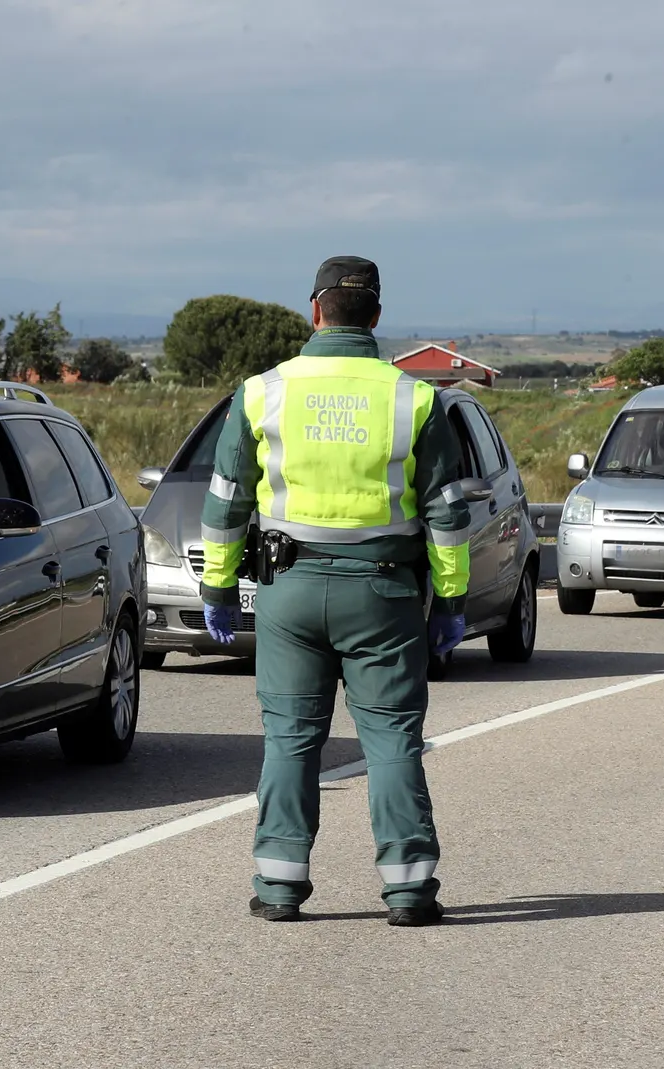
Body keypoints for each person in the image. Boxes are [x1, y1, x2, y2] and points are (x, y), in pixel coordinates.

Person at [197, 256, 472, 928]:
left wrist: (218, 586)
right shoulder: (415, 398)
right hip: (383, 593)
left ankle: (280, 882)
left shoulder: (262, 393)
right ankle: (408, 888)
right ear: (375, 316)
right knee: (391, 740)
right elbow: (447, 512)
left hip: (289, 588)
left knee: (290, 738)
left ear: (314, 311)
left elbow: (226, 501)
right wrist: (453, 599)